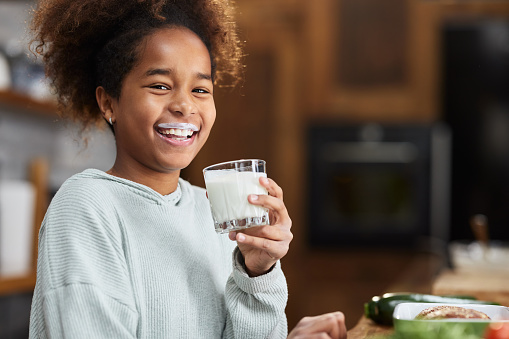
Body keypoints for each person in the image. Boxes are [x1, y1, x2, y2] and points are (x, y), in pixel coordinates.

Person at [28, 0, 293, 338]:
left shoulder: (216, 213)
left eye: (200, 90)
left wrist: (257, 272)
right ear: (108, 102)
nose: (185, 105)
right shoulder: (86, 206)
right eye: (159, 85)